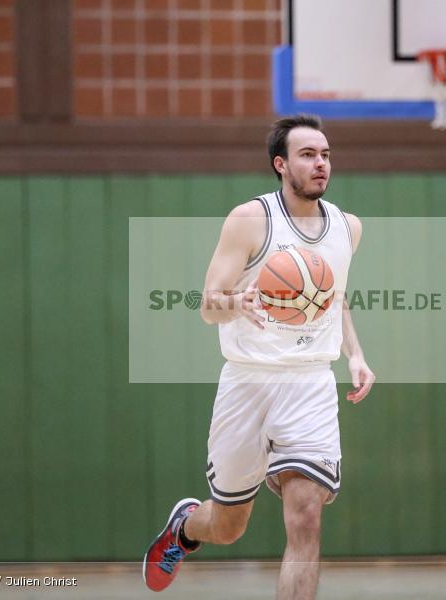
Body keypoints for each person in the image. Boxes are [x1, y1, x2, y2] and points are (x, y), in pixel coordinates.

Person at [143, 114, 374, 599]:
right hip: (247, 382)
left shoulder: (347, 228)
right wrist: (235, 303)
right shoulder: (250, 220)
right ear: (280, 164)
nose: (321, 164)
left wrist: (356, 354)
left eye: (326, 155)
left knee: (307, 515)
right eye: (308, 155)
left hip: (310, 382)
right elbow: (208, 305)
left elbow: (335, 296)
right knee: (228, 526)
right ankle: (186, 527)